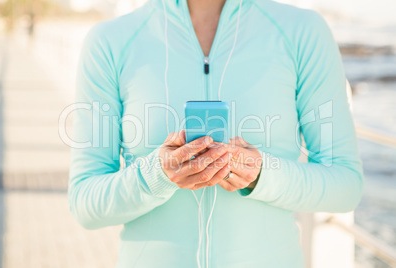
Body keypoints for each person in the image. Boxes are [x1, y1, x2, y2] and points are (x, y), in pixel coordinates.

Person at [68, 0, 364, 267]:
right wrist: (155, 176)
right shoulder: (111, 42)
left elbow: (345, 184)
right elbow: (85, 203)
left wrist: (263, 174)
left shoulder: (302, 32)